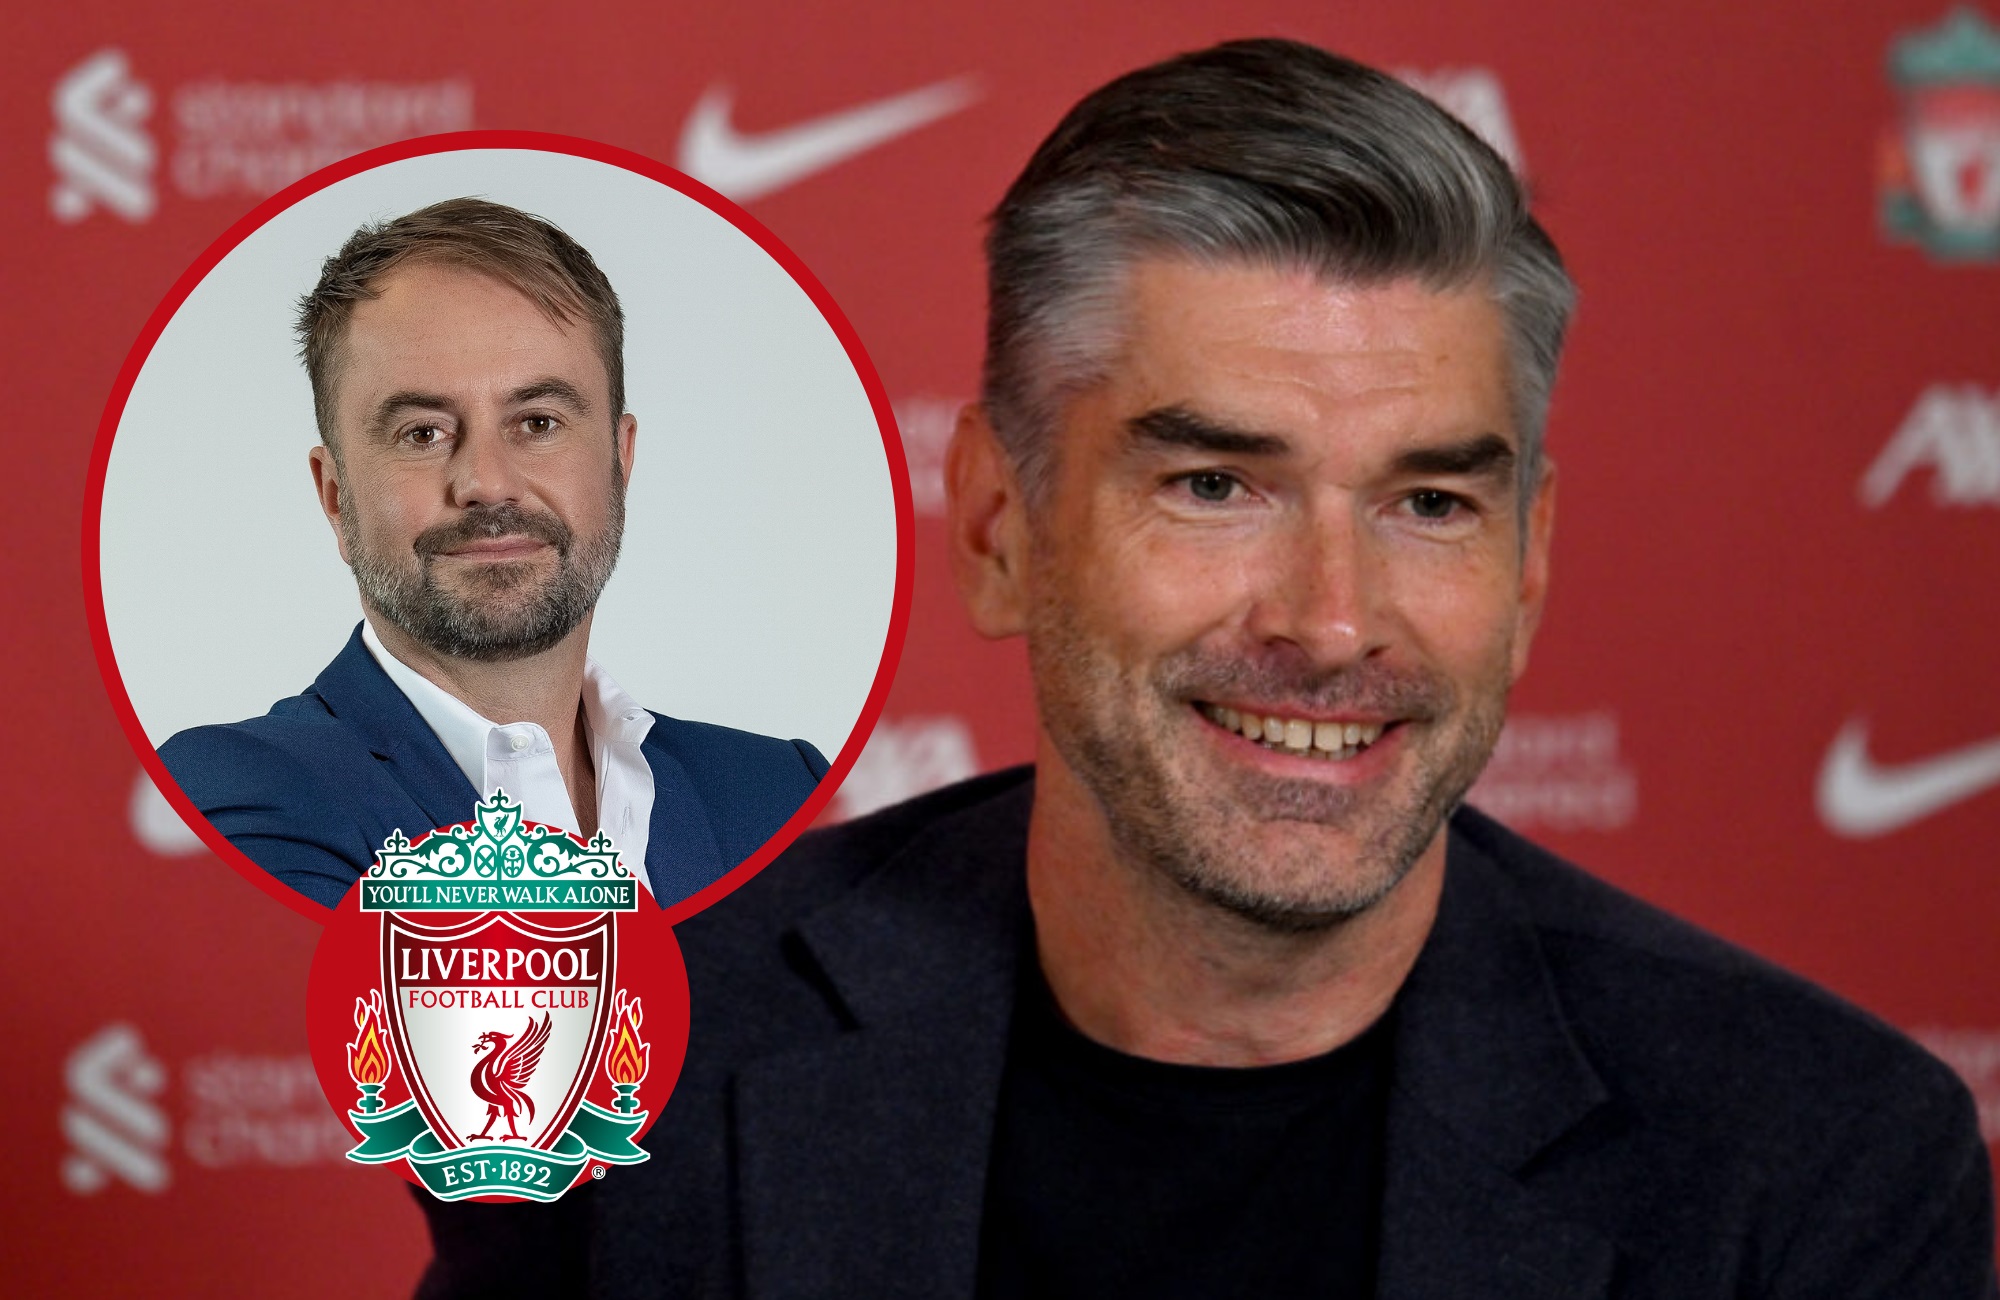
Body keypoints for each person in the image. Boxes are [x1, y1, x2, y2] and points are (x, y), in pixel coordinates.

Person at [416, 42, 1996, 1298]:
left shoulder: (1815, 1163)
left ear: (1527, 568)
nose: (1330, 620)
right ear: (996, 526)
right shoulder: (624, 1071)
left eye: (1431, 503)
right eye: (1215, 486)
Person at [160, 198, 827, 910]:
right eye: (422, 433)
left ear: (619, 459)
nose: (487, 483)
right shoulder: (237, 799)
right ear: (335, 496)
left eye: (538, 423)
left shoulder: (782, 792)